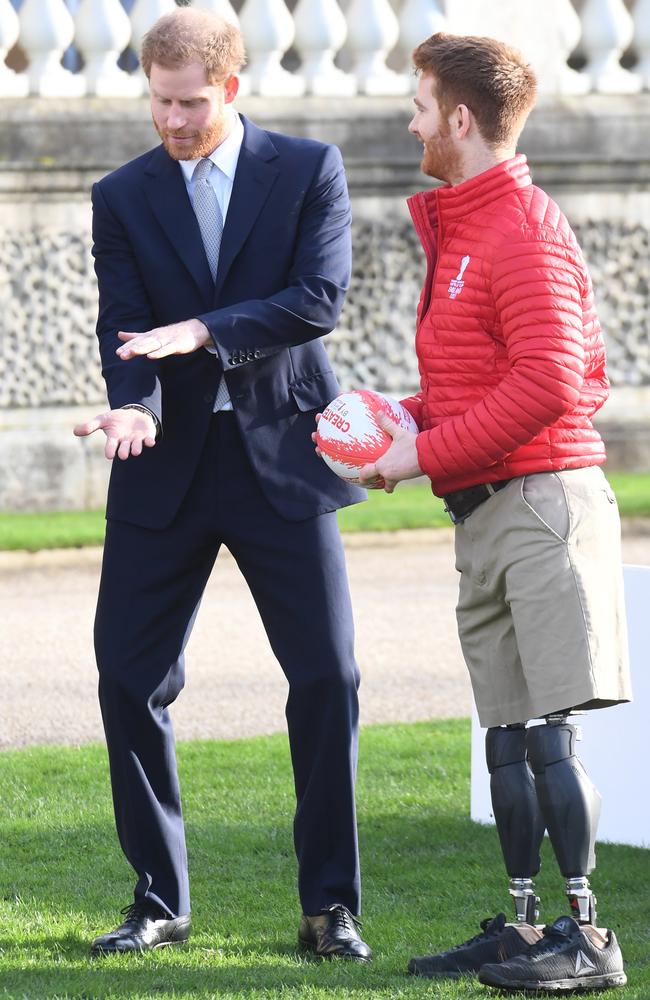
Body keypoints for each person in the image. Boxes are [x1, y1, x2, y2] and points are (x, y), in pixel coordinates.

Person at [73, 7, 371, 962]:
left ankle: (331, 908)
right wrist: (136, 407)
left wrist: (203, 330)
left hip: (280, 455)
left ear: (232, 87)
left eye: (190, 103)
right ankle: (159, 898)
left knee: (328, 676)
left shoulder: (309, 169)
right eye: (158, 102)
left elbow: (317, 300)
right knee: (127, 676)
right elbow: (125, 329)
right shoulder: (120, 194)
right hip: (163, 466)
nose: (171, 120)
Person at [357, 32, 631, 993]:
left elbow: (556, 382)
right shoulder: (467, 228)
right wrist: (401, 427)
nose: (412, 121)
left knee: (550, 733)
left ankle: (588, 941)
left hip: (542, 502)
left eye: (422, 106)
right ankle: (523, 930)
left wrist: (422, 451)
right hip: (486, 509)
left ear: (460, 120)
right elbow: (485, 378)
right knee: (507, 735)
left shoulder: (522, 226)